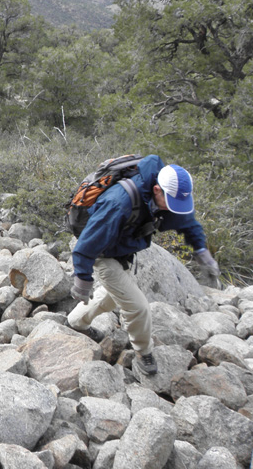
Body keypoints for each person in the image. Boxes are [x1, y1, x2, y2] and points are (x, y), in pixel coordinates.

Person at [67, 155, 219, 376]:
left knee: (114, 295)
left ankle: (75, 322)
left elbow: (186, 221)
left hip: (121, 249)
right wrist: (82, 279)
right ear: (157, 190)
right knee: (138, 307)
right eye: (172, 201)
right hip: (100, 252)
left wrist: (202, 251)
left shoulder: (165, 196)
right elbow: (86, 243)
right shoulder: (119, 202)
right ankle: (143, 353)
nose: (175, 208)